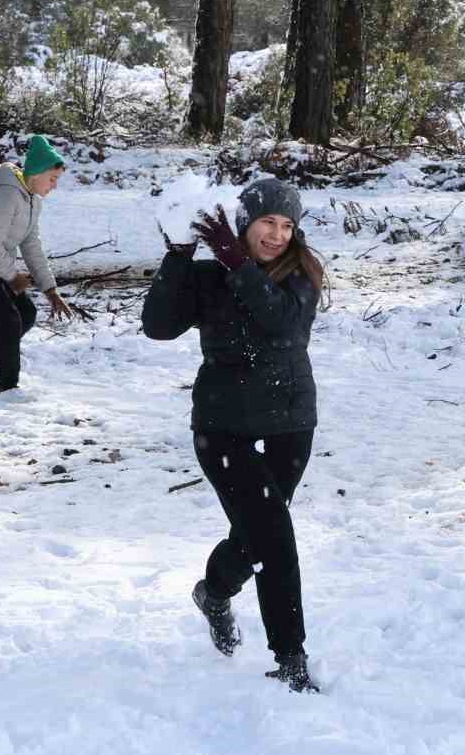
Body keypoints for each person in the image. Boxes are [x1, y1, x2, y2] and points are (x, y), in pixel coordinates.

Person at [141, 178, 329, 694]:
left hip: (290, 422)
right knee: (274, 536)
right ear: (242, 223)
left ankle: (214, 591)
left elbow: (282, 327)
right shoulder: (209, 277)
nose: (277, 234)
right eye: (267, 222)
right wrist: (179, 256)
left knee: (258, 534)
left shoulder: (302, 276)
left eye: (287, 225)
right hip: (224, 427)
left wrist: (237, 264)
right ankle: (291, 658)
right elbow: (158, 326)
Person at [0, 134, 76, 400]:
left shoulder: (32, 201)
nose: (54, 186)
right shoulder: (6, 195)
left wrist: (50, 290)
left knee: (26, 313)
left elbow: (32, 246)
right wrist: (12, 276)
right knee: (8, 321)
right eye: (52, 179)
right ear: (37, 173)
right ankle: (8, 390)